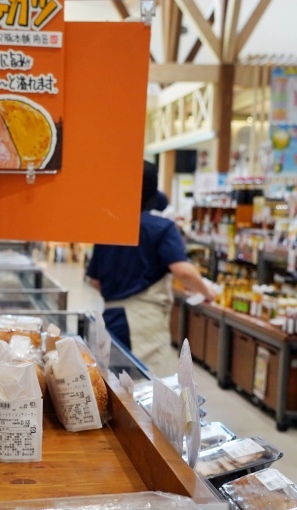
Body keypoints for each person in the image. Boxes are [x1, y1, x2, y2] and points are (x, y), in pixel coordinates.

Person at [87, 161, 216, 377]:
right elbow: (183, 271)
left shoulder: (109, 226)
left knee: (115, 387)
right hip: (143, 323)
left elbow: (95, 281)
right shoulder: (161, 227)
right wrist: (207, 291)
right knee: (147, 391)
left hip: (111, 319)